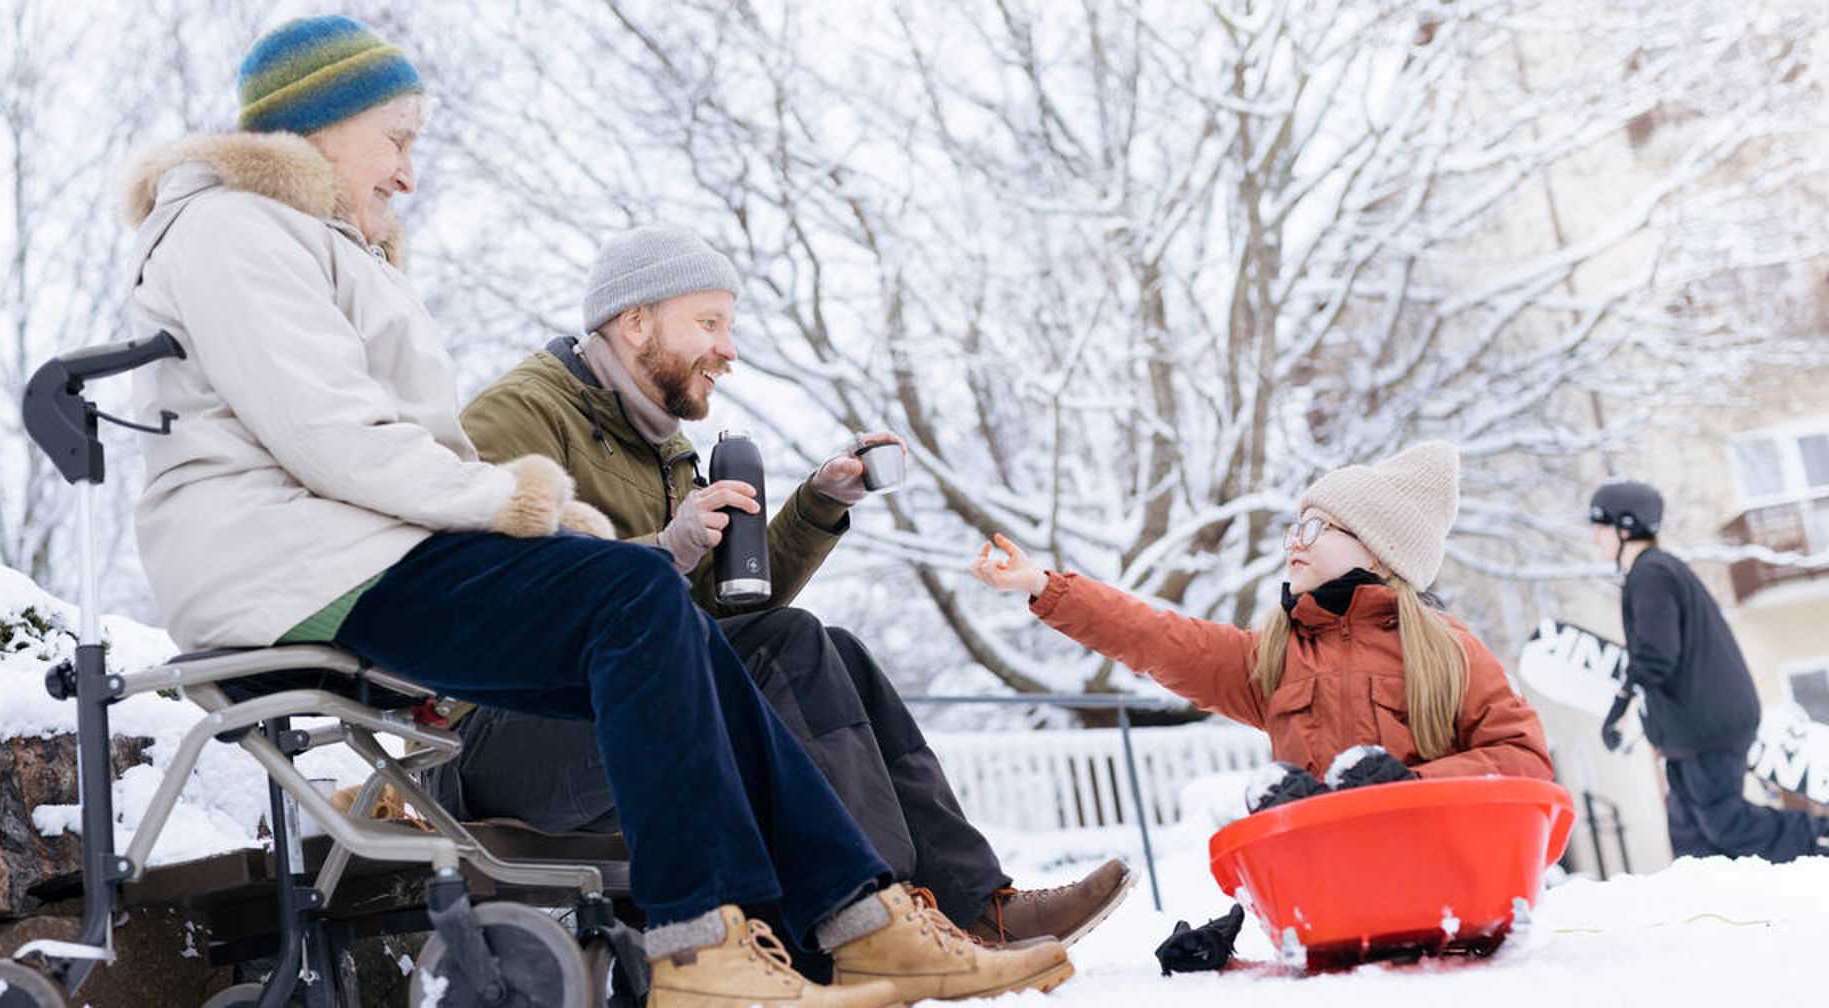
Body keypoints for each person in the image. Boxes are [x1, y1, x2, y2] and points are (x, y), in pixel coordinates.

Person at [120, 15, 1072, 1006]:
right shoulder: (233, 226)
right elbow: (335, 435)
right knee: (631, 592)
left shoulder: (317, 242)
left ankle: (857, 917)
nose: (408, 173)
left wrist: (706, 527)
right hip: (291, 570)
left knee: (678, 619)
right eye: (397, 140)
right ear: (325, 123)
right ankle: (706, 945)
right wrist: (534, 508)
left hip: (345, 556)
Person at [447, 224, 1132, 947]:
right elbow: (494, 595)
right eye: (708, 323)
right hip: (505, 733)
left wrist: (820, 502)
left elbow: (720, 618)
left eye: (730, 326)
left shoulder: (666, 448)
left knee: (839, 653)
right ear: (635, 319)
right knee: (790, 643)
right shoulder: (520, 412)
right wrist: (662, 551)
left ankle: (970, 905)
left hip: (628, 699)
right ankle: (877, 918)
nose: (729, 349)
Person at [970, 441, 1553, 811]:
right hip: (1335, 897)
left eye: (1318, 528)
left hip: (1438, 881)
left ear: (1378, 552)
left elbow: (1523, 759)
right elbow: (1156, 637)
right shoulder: (1275, 658)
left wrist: (1406, 788)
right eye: (1294, 527)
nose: (1294, 542)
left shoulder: (1447, 651)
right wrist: (1042, 587)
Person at [1589, 480, 1829, 861]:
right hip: (1693, 729)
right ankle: (1710, 907)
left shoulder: (1650, 574)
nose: (1595, 537)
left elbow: (1655, 655)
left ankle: (1821, 838)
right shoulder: (1656, 572)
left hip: (1709, 725)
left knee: (1726, 825)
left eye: (1601, 527)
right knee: (1691, 837)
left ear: (1626, 526)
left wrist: (1619, 708)